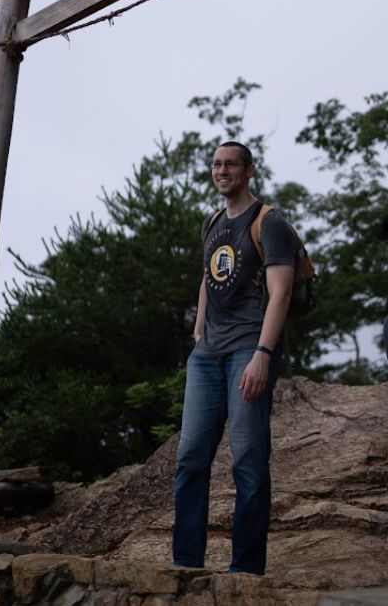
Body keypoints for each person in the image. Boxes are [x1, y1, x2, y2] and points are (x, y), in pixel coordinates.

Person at [173, 141, 295, 575]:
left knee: (247, 461)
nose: (222, 171)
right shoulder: (212, 223)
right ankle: (185, 565)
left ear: (249, 171)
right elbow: (209, 276)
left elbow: (281, 291)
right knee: (190, 459)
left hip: (249, 348)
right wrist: (199, 327)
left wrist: (263, 353)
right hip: (206, 356)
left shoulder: (270, 223)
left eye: (230, 165)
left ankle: (245, 572)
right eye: (216, 165)